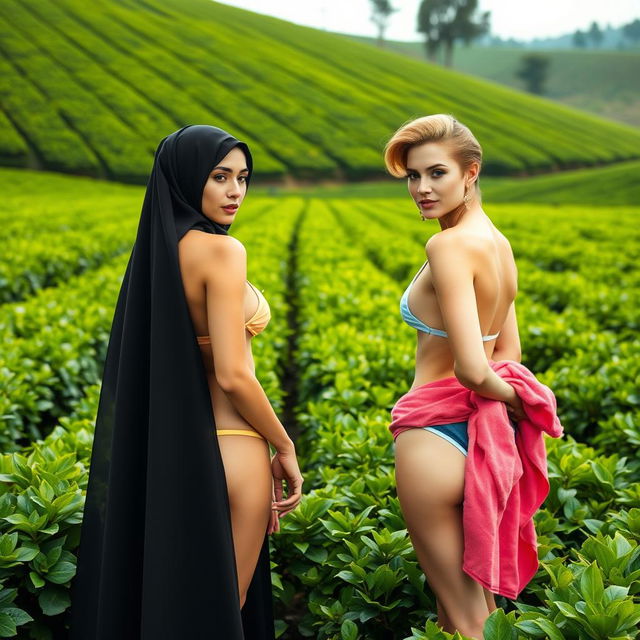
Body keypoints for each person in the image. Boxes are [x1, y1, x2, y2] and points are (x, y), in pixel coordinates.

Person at [68, 125, 303, 640]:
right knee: (222, 613)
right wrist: (284, 445)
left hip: (171, 457)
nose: (235, 191)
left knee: (170, 609)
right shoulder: (223, 253)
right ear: (188, 178)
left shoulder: (156, 255)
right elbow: (234, 374)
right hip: (236, 448)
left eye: (243, 178)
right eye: (220, 177)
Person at [383, 114, 527, 638]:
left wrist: (526, 402)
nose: (421, 188)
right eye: (412, 177)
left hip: (433, 440)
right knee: (469, 614)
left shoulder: (446, 247)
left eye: (436, 173)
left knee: (464, 620)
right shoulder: (498, 244)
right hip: (486, 441)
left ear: (471, 172)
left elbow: (470, 367)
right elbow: (507, 351)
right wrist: (514, 402)